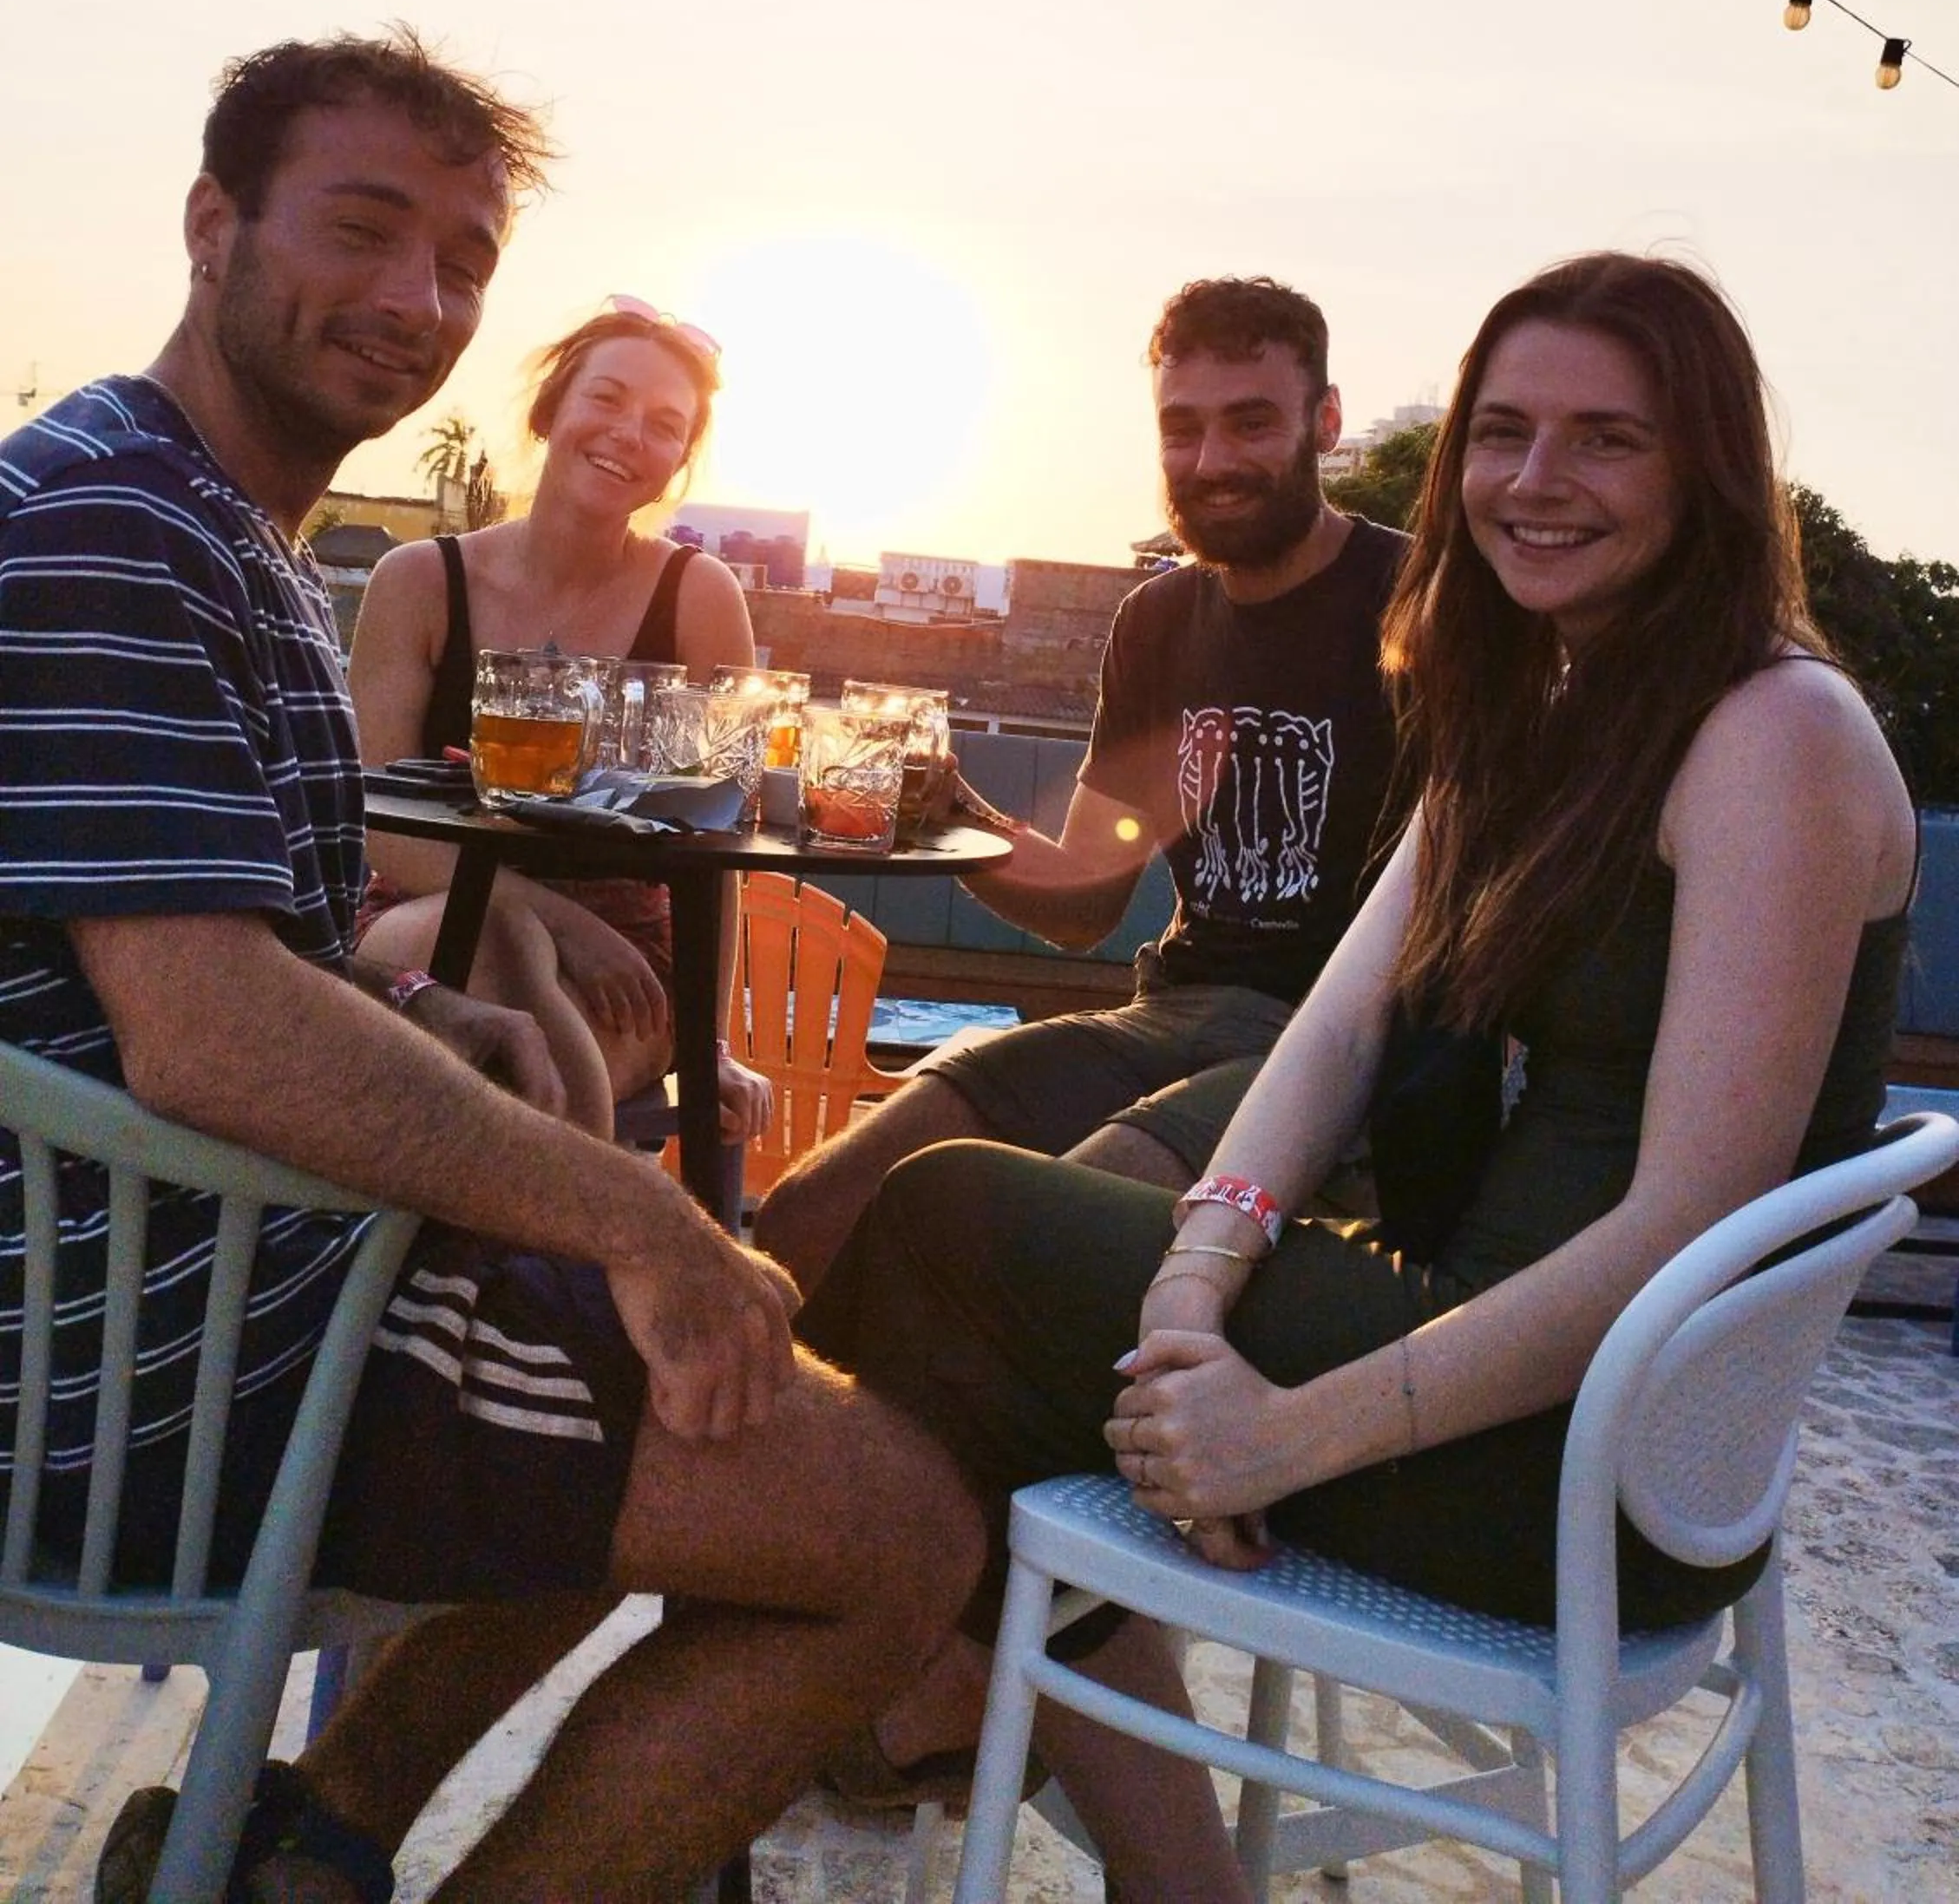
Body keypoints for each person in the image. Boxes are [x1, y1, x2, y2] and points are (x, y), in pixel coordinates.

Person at [799, 251, 1916, 1901]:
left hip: (1575, 1466)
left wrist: (1289, 1435)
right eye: (1502, 433)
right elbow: (1337, 1030)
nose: (1534, 484)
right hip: (1473, 1343)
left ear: (1708, 468)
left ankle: (955, 1721)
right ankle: (1012, 1746)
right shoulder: (1540, 697)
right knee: (967, 1280)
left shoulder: (1773, 736)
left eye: (1605, 439)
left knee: (933, 1238)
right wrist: (1196, 1275)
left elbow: (1684, 1217)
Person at [0, 31, 979, 1903]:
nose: (415, 300)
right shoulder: (122, 525)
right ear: (214, 223)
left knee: (697, 1377)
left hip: (223, 1284)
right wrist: (639, 1221)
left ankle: (309, 1841)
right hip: (152, 1383)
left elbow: (230, 957)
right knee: (893, 1531)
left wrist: (415, 1005)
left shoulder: (228, 535)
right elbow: (205, 1032)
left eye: (461, 262)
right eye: (364, 231)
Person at [755, 274, 1408, 1293]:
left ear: (1323, 423)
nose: (1211, 461)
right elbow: (1083, 905)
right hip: (1171, 1015)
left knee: (1034, 1234)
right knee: (809, 1216)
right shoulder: (1158, 625)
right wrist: (949, 814)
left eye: (1250, 424)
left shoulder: (1419, 608)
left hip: (1347, 1051)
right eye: (1179, 430)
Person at [348, 298, 772, 1144]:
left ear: (679, 460)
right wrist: (557, 924)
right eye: (605, 399)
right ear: (551, 410)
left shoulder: (698, 597)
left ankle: (475, 1268)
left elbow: (718, 845)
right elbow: (381, 832)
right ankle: (580, 1249)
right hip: (416, 916)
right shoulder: (416, 583)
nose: (626, 435)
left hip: (629, 959)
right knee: (491, 937)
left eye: (661, 425)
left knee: (500, 1000)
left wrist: (707, 1039)